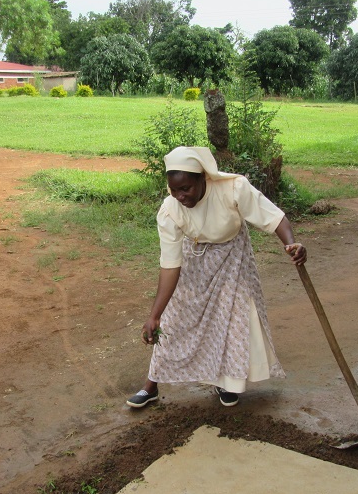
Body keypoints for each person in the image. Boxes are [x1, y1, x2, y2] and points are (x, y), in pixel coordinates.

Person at [126, 146, 307, 409]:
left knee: (230, 317)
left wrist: (291, 244)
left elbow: (273, 217)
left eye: (185, 188)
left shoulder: (233, 188)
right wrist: (155, 315)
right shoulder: (170, 210)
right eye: (174, 190)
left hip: (232, 256)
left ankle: (226, 383)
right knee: (176, 318)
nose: (180, 196)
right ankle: (151, 385)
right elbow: (170, 265)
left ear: (203, 178)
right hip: (194, 259)